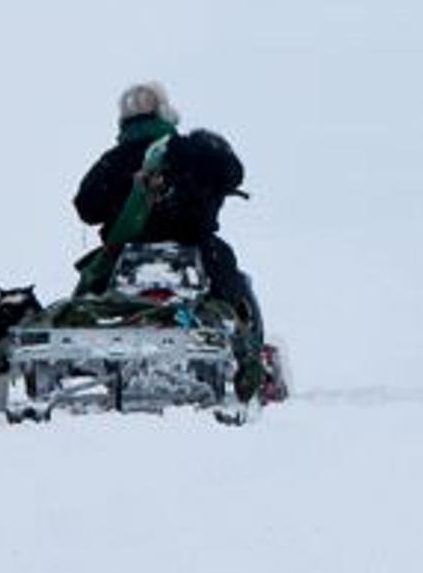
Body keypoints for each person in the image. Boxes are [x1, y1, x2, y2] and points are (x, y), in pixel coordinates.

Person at [73, 81, 278, 398]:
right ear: (165, 112)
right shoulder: (192, 149)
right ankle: (252, 354)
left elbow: (86, 207)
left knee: (87, 293)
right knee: (234, 287)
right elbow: (233, 172)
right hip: (194, 247)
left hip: (125, 252)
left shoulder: (114, 160)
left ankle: (76, 351)